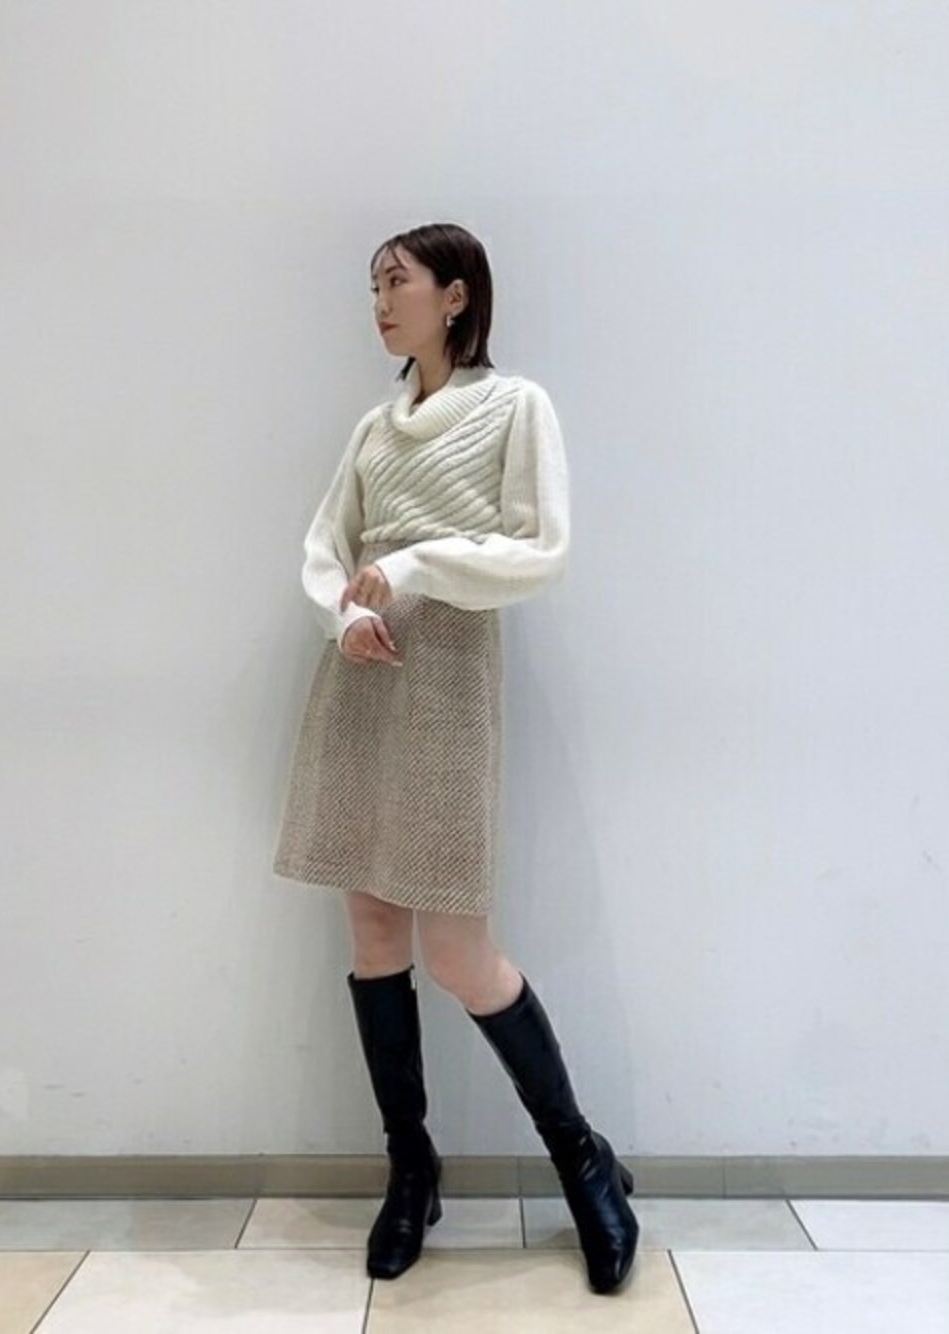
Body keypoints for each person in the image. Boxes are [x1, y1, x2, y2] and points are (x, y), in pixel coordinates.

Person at [272, 222, 638, 1295]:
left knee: (458, 952)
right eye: (373, 286)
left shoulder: (514, 406)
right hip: (362, 672)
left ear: (457, 295)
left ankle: (582, 1158)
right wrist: (343, 614)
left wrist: (417, 566)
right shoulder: (373, 428)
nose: (381, 303)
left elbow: (541, 548)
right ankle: (411, 1166)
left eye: (397, 282)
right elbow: (325, 548)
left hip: (445, 678)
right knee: (374, 931)